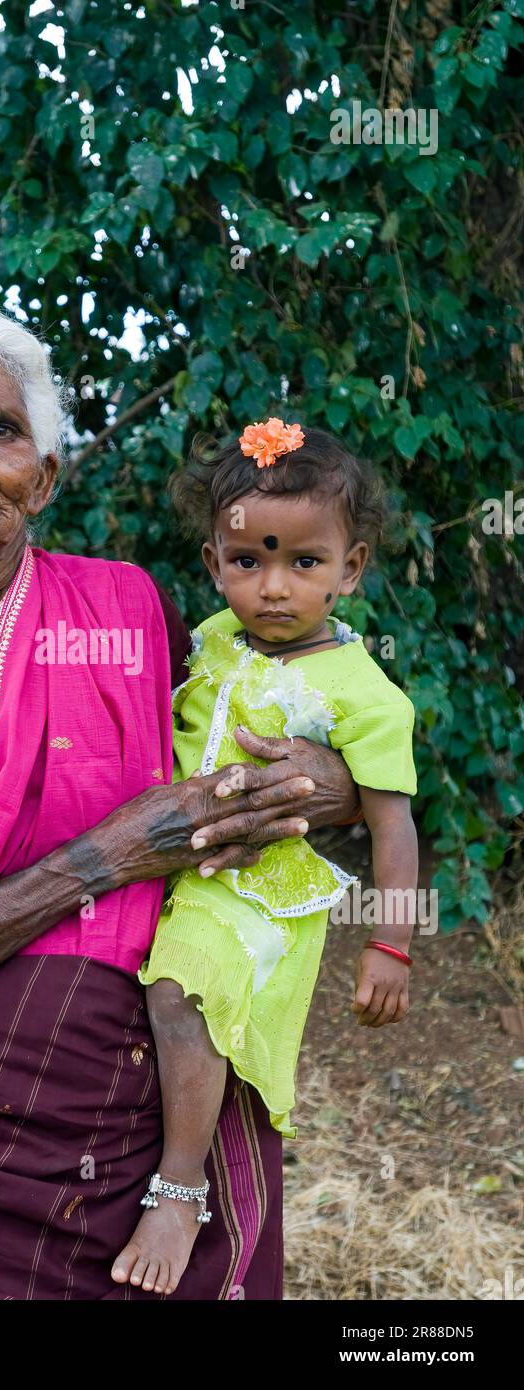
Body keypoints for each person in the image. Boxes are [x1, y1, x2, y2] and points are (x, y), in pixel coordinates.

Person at [0, 297, 361, 1300]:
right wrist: (109, 857)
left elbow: (273, 727)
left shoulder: (123, 613)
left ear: (42, 476)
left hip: (151, 1156)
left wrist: (321, 781)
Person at [112, 419, 417, 1296]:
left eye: (304, 564)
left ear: (350, 569)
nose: (273, 587)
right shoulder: (210, 638)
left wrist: (391, 945)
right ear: (215, 564)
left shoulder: (364, 693)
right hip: (168, 862)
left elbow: (394, 826)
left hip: (259, 890)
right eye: (248, 562)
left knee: (181, 994)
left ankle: (181, 1188)